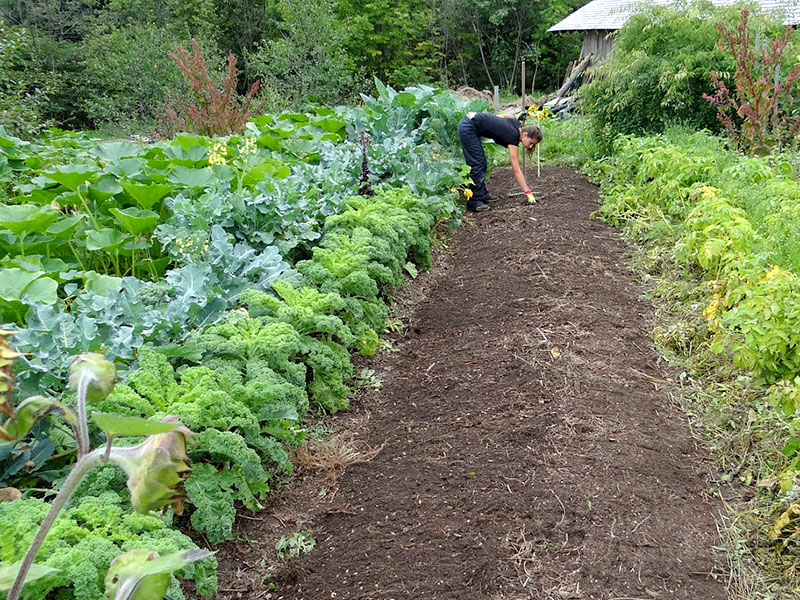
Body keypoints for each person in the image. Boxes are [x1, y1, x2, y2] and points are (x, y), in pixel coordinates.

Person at [457, 111, 542, 212]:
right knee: (477, 164)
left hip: (471, 120)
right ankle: (474, 202)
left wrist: (515, 116)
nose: (531, 146)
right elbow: (516, 169)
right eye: (531, 143)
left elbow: (502, 116)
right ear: (525, 134)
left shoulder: (517, 125)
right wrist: (527, 192)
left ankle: (482, 194)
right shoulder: (512, 136)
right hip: (469, 127)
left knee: (481, 163)